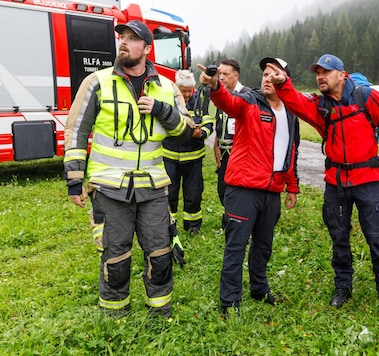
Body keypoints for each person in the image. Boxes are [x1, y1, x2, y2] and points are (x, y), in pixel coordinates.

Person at [63, 20, 194, 318]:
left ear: (147, 49)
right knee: (116, 257)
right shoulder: (97, 82)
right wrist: (74, 178)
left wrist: (164, 112)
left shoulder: (168, 88)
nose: (123, 42)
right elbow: (75, 132)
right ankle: (115, 315)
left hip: (153, 189)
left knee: (161, 255)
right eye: (121, 37)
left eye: (132, 38)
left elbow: (188, 132)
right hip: (109, 189)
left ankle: (160, 314)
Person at [268, 53, 379, 309]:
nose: (320, 77)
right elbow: (295, 102)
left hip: (368, 180)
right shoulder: (321, 107)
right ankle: (343, 287)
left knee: (376, 237)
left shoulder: (368, 98)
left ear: (341, 74)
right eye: (317, 73)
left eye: (325, 72)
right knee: (339, 237)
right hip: (335, 183)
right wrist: (283, 83)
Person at [198, 57, 300, 315]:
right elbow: (228, 102)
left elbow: (291, 151)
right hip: (243, 189)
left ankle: (259, 288)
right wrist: (215, 87)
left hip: (273, 191)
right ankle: (229, 301)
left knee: (263, 245)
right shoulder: (250, 101)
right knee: (236, 246)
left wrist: (292, 186)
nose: (267, 78)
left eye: (273, 74)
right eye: (265, 73)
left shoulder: (290, 112)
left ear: (284, 80)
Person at [162, 70, 215, 236]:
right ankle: (169, 226)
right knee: (170, 193)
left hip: (193, 158)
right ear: (176, 87)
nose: (186, 94)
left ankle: (193, 226)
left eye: (189, 91)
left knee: (193, 193)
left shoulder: (200, 101)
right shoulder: (167, 100)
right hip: (170, 157)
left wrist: (202, 133)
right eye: (183, 90)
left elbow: (208, 123)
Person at [212, 59, 252, 230]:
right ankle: (228, 219)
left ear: (236, 75)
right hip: (224, 150)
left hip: (240, 151)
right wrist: (215, 146)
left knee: (239, 190)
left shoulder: (247, 95)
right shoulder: (222, 95)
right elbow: (218, 122)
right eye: (220, 74)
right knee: (223, 189)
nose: (222, 78)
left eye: (225, 74)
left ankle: (239, 223)